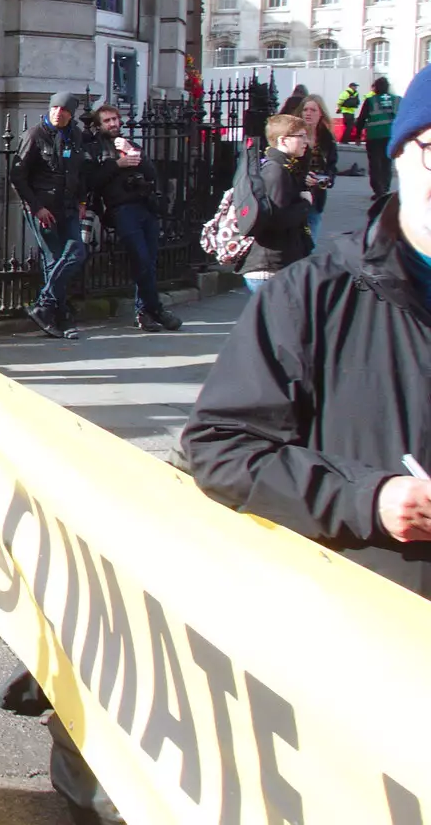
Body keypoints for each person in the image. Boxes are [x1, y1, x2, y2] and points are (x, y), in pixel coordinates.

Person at [182, 61, 431, 600]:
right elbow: (220, 448)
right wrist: (370, 498)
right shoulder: (315, 295)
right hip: (372, 621)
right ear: (400, 156)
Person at [88, 105, 182, 331]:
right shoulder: (94, 148)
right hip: (122, 210)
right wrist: (116, 164)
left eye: (115, 119)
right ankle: (155, 309)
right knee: (140, 258)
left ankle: (144, 311)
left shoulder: (130, 144)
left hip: (146, 207)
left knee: (149, 260)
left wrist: (133, 154)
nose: (113, 124)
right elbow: (91, 181)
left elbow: (152, 173)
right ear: (99, 125)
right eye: (107, 121)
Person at [9, 92, 91, 340]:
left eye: (64, 109)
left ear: (71, 113)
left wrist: (82, 200)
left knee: (75, 252)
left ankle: (44, 307)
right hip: (43, 208)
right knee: (54, 259)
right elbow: (17, 175)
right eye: (54, 107)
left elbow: (80, 172)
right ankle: (61, 316)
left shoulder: (76, 135)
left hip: (68, 206)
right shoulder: (35, 135)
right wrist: (35, 207)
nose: (58, 112)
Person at [239, 113, 313, 294]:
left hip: (277, 264)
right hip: (270, 267)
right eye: (301, 136)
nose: (306, 141)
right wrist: (305, 203)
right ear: (283, 140)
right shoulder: (276, 171)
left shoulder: (283, 167)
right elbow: (276, 219)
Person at [281, 91, 337, 243]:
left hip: (316, 196)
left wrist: (325, 179)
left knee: (311, 240)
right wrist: (302, 177)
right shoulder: (294, 134)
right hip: (294, 195)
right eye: (305, 109)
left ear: (321, 114)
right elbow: (285, 162)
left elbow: (332, 168)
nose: (308, 113)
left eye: (313, 110)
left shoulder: (327, 139)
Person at [359, 75, 402, 199]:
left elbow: (362, 119)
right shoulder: (397, 100)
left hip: (374, 136)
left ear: (375, 88)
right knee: (387, 162)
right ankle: (385, 189)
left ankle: (378, 190)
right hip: (391, 136)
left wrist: (357, 135)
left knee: (375, 163)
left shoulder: (371, 101)